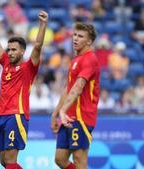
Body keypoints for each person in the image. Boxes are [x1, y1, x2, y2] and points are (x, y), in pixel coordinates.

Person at [0, 2, 48, 169]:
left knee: (11, 160)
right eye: (9, 49)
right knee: (4, 161)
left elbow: (38, 46)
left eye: (14, 50)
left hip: (16, 115)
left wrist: (42, 24)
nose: (10, 52)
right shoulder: (5, 63)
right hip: (0, 114)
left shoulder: (28, 67)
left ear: (22, 52)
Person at [51, 22, 99, 169]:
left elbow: (78, 88)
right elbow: (68, 89)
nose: (75, 39)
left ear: (89, 41)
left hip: (82, 117)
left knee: (79, 160)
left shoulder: (90, 59)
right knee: (60, 159)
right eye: (75, 35)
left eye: (80, 36)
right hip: (68, 117)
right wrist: (56, 113)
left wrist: (63, 111)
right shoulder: (75, 60)